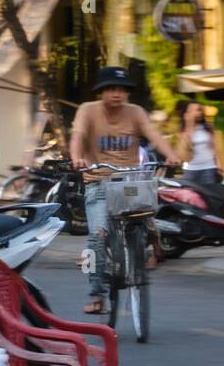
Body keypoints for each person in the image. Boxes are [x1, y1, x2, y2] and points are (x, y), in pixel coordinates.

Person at [70, 66, 181, 315]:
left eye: (121, 89)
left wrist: (171, 154)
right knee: (97, 236)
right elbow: (77, 136)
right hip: (98, 182)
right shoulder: (87, 111)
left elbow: (153, 133)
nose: (116, 94)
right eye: (111, 89)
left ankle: (145, 250)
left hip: (129, 182)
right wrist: (77, 158)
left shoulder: (136, 112)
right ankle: (96, 294)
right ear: (101, 92)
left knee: (146, 218)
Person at [176, 101, 224, 188]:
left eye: (199, 110)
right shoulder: (183, 130)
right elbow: (187, 149)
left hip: (208, 167)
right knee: (191, 196)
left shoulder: (208, 127)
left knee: (208, 195)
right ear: (187, 113)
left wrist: (218, 164)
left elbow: (214, 147)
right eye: (192, 110)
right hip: (190, 169)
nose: (197, 112)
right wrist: (189, 124)